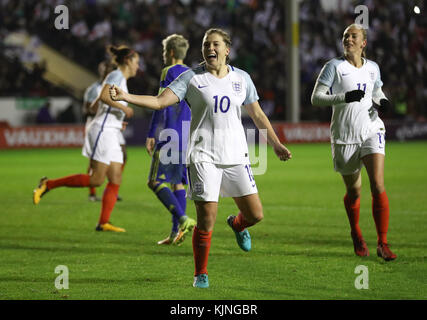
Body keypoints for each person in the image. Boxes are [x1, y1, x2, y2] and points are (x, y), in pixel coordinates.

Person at [110, 28, 292, 288]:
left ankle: (238, 225)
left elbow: (258, 115)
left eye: (215, 44)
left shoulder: (242, 78)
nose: (210, 49)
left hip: (236, 156)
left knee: (255, 214)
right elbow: (161, 102)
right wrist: (127, 96)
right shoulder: (191, 78)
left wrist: (275, 144)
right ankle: (200, 274)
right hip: (202, 156)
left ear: (227, 49)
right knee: (207, 219)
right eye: (206, 45)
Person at [311, 24, 396, 261]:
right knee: (354, 191)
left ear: (363, 43)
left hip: (371, 128)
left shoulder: (372, 68)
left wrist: (384, 100)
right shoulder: (333, 67)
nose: (348, 39)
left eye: (353, 36)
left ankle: (383, 242)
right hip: (344, 135)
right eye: (345, 36)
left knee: (377, 184)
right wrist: (344, 97)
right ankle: (356, 232)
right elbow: (316, 98)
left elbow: (376, 91)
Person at [33, 45, 138, 232]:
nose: (138, 66)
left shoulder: (121, 79)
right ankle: (48, 184)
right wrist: (124, 109)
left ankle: (103, 222)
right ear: (128, 61)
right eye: (137, 62)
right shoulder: (116, 76)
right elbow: (104, 96)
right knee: (96, 180)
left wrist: (117, 120)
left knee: (115, 178)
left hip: (111, 130)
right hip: (103, 132)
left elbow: (102, 101)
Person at [146, 34, 196, 246]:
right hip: (187, 136)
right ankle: (176, 231)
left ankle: (184, 219)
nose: (164, 55)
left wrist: (150, 133)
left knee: (155, 181)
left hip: (170, 134)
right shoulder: (194, 74)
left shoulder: (169, 71)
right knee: (178, 183)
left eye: (165, 51)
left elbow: (160, 103)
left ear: (172, 53)